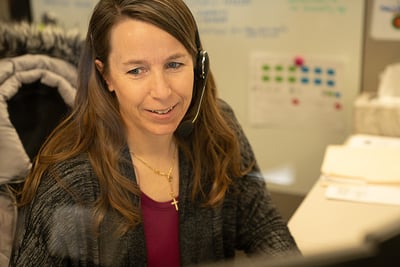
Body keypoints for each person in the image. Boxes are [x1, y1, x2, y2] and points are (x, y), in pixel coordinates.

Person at [10, 0, 300, 266]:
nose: (162, 92)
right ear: (106, 75)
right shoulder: (71, 180)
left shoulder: (217, 129)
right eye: (137, 71)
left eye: (174, 64)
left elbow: (263, 226)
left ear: (199, 65)